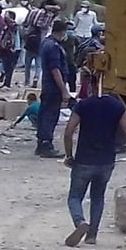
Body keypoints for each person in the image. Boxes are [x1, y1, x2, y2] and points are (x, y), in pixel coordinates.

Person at [62, 86, 126, 246]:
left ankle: (80, 222)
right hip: (106, 160)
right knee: (98, 197)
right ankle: (92, 235)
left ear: (91, 86)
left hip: (84, 159)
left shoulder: (83, 105)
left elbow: (68, 132)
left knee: (75, 197)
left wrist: (69, 155)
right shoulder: (118, 106)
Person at [35, 17, 72, 158]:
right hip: (53, 87)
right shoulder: (54, 47)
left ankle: (42, 143)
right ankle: (46, 145)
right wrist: (64, 90)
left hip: (48, 86)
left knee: (45, 114)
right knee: (50, 116)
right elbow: (55, 70)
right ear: (62, 31)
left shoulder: (46, 43)